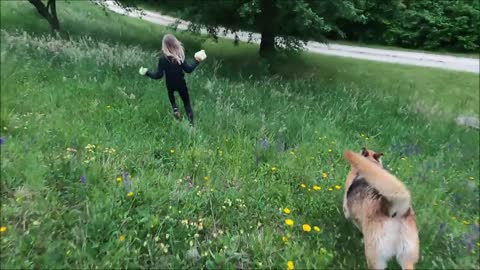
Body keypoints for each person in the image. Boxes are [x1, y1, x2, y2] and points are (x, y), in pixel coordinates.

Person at [139, 34, 206, 126]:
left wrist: (147, 73)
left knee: (171, 94)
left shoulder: (163, 59)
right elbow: (189, 70)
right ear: (175, 43)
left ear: (164, 46)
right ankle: (191, 125)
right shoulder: (179, 57)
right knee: (187, 104)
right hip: (181, 84)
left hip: (170, 84)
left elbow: (158, 75)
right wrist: (197, 61)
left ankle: (175, 109)